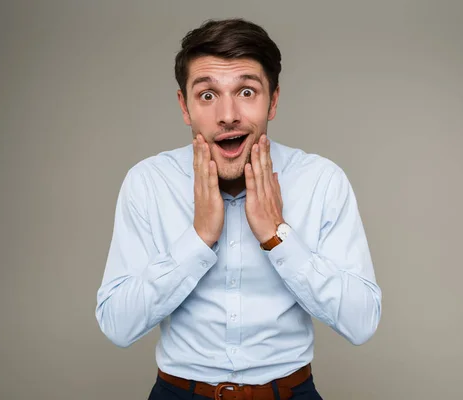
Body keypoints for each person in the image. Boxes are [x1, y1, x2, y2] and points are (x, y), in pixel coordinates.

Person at [95, 18, 382, 400]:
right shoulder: (148, 182)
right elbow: (117, 325)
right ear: (185, 106)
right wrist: (198, 240)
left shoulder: (321, 180)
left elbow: (361, 324)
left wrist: (278, 236)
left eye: (246, 91)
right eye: (208, 95)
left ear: (273, 101)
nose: (228, 114)